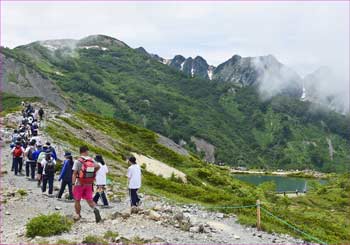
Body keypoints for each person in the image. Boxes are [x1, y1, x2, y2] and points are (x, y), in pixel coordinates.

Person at [72, 146, 101, 223]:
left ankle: (78, 215)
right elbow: (98, 166)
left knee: (77, 200)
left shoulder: (78, 161)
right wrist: (93, 171)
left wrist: (72, 184)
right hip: (89, 183)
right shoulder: (91, 160)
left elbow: (74, 173)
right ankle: (95, 209)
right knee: (90, 200)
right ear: (86, 151)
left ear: (80, 151)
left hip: (79, 183)